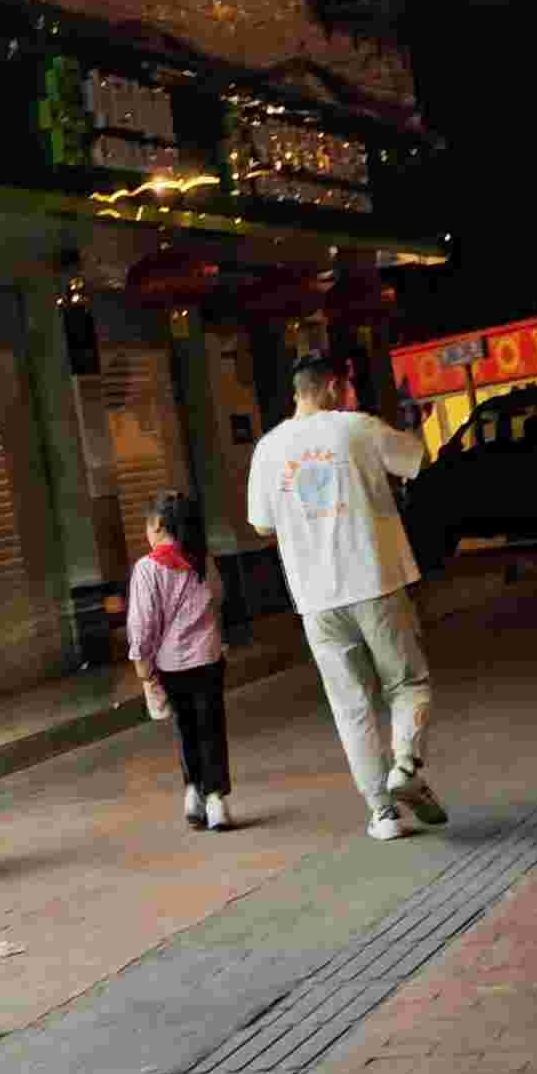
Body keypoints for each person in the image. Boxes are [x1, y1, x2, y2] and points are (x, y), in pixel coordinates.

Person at [247, 352, 443, 840]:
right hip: (376, 582)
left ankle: (382, 814)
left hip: (315, 598)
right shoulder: (358, 428)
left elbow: (261, 524)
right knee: (407, 683)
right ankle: (405, 765)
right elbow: (418, 459)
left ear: (297, 390)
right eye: (348, 386)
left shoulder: (268, 449)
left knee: (350, 705)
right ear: (334, 386)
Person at [125, 491, 231, 832]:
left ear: (157, 524)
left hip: (171, 665)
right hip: (209, 658)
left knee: (186, 728)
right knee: (211, 728)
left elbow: (142, 623)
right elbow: (219, 597)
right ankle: (217, 802)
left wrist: (142, 664)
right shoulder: (202, 560)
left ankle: (193, 794)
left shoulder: (147, 568)